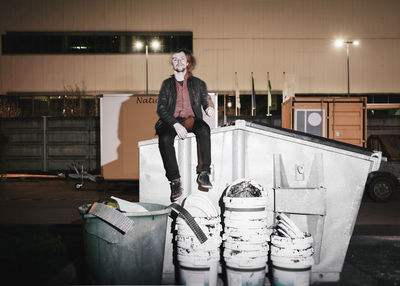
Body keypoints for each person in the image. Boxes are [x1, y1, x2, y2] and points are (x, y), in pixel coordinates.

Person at [155, 49, 214, 203]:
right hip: (171, 121)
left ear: (187, 63)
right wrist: (175, 124)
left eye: (182, 59)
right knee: (165, 139)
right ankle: (175, 181)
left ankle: (204, 172)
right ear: (172, 64)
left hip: (190, 119)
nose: (179, 61)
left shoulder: (198, 83)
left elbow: (205, 98)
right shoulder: (167, 84)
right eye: (175, 59)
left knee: (204, 129)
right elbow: (161, 108)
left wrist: (208, 107)